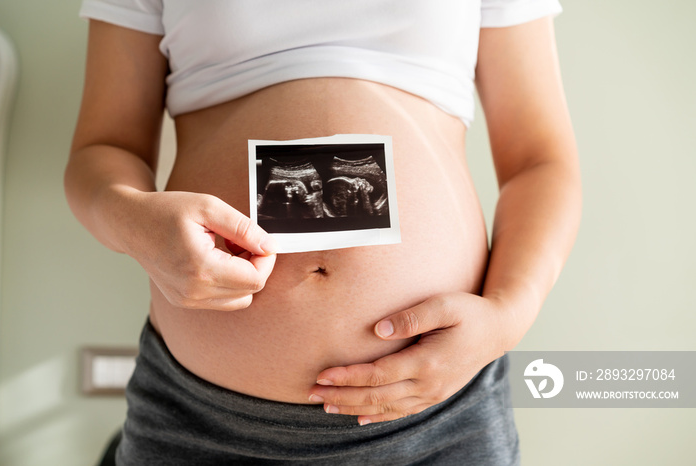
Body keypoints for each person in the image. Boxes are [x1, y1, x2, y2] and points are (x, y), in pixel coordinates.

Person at [65, 1, 581, 464]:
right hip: (199, 420)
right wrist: (133, 221)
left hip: (438, 415)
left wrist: (508, 317)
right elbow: (103, 149)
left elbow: (540, 163)